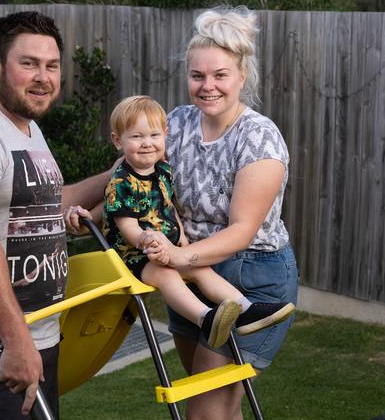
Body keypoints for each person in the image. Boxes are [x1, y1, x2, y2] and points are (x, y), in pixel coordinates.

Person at [0, 11, 111, 420]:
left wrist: (114, 174)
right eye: (28, 63)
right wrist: (14, 341)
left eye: (51, 66)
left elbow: (47, 202)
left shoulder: (28, 128)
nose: (42, 77)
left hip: (41, 328)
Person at [138, 6, 300, 419]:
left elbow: (242, 230)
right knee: (220, 409)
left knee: (205, 412)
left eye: (220, 75)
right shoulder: (177, 122)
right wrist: (70, 201)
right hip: (191, 281)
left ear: (241, 77)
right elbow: (130, 176)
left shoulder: (259, 136)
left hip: (250, 279)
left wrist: (176, 258)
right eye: (198, 76)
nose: (207, 86)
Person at [101, 95, 294, 350]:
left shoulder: (163, 170)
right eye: (137, 137)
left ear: (164, 135)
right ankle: (205, 318)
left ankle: (247, 310)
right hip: (135, 255)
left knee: (201, 269)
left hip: (165, 248)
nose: (147, 143)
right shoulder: (121, 182)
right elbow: (127, 226)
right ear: (118, 141)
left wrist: (181, 241)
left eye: (154, 136)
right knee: (167, 275)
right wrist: (145, 240)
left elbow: (169, 208)